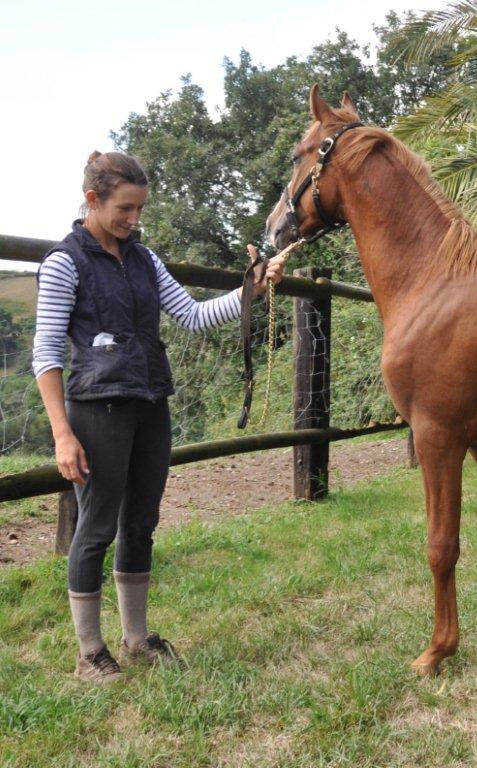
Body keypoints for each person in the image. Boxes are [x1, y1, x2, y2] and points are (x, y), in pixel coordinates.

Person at [32, 151, 286, 683]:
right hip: (96, 410)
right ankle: (89, 653)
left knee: (141, 524)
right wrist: (61, 434)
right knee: (96, 528)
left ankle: (136, 639)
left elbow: (192, 316)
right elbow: (47, 354)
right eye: (125, 208)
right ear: (93, 200)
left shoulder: (145, 259)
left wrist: (251, 289)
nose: (134, 220)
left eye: (140, 209)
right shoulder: (64, 262)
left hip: (150, 405)